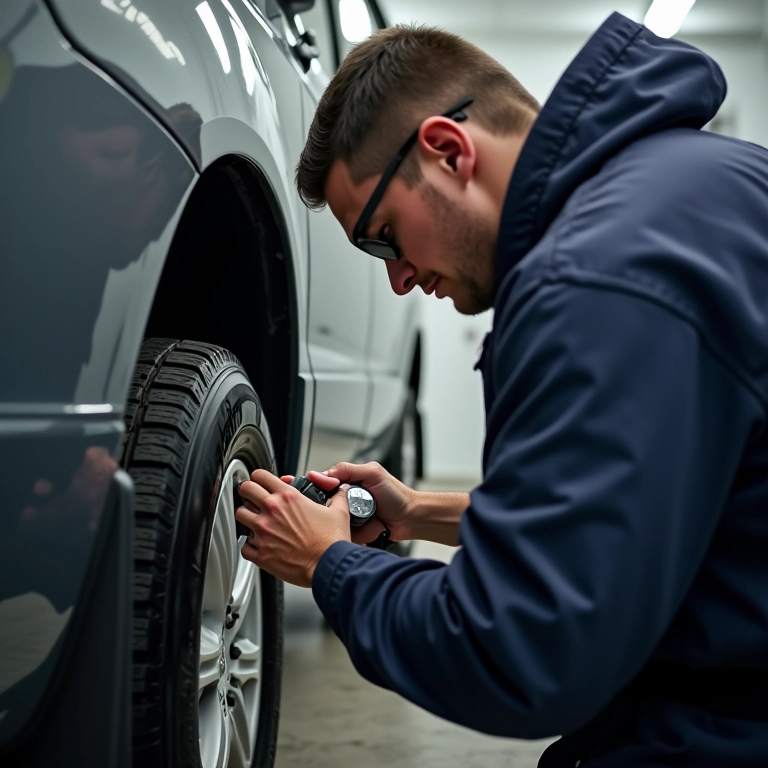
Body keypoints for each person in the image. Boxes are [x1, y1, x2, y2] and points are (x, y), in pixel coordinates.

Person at [235, 12, 768, 766]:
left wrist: (333, 568)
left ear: (448, 151)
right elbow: (663, 501)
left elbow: (521, 653)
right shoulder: (703, 180)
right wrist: (421, 512)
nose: (398, 280)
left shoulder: (590, 283)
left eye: (383, 235)